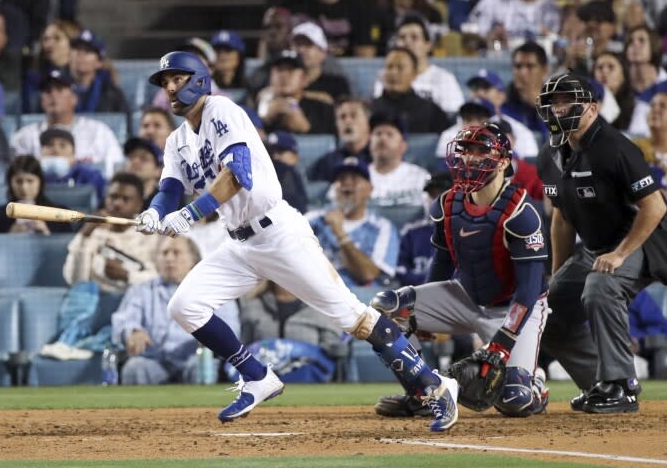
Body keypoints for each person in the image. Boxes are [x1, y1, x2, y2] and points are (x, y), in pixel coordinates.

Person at [135, 51, 459, 429]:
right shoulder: (176, 141)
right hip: (239, 243)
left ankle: (435, 386)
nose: (170, 87)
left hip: (278, 233)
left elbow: (238, 173)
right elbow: (170, 187)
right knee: (185, 306)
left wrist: (190, 214)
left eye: (177, 78)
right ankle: (257, 376)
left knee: (353, 317)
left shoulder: (221, 111)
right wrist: (155, 212)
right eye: (164, 82)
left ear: (199, 79)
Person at [372, 122, 549, 419]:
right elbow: (442, 263)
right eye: (466, 150)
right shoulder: (446, 204)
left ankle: (536, 385)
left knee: (514, 401)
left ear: (504, 161)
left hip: (514, 308)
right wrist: (424, 319)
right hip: (465, 297)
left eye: (481, 151)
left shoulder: (522, 212)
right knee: (387, 308)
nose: (470, 158)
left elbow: (529, 288)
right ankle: (424, 392)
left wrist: (503, 343)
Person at [536, 72, 667, 413]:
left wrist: (620, 253)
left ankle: (622, 385)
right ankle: (600, 383)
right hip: (598, 247)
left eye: (567, 100)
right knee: (547, 309)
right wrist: (558, 273)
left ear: (592, 109)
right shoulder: (549, 156)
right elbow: (562, 217)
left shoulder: (614, 147)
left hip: (647, 241)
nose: (559, 108)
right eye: (553, 102)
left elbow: (655, 206)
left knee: (601, 285)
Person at [112, 236, 240, 385]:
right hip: (154, 360)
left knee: (205, 365)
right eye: (164, 253)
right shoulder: (141, 290)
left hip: (195, 358)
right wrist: (132, 332)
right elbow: (124, 320)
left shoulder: (214, 291)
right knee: (134, 367)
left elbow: (232, 330)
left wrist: (212, 339)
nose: (169, 258)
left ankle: (206, 409)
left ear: (194, 261)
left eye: (176, 253)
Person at [11, 69, 124, 176]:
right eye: (48, 91)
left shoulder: (99, 132)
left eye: (59, 90)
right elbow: (14, 174)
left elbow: (116, 169)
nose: (53, 95)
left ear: (74, 98)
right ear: (42, 100)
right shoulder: (24, 136)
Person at [308, 156, 400, 287]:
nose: (347, 183)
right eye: (341, 179)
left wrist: (340, 233)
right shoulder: (314, 219)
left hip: (357, 298)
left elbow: (368, 274)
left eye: (355, 178)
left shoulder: (382, 228)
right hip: (313, 293)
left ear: (370, 189)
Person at [64, 173, 160, 293]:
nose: (117, 204)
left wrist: (127, 275)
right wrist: (85, 235)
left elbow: (162, 279)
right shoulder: (92, 233)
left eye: (126, 199)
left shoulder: (151, 235)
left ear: (139, 205)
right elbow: (75, 280)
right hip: (95, 301)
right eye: (113, 197)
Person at [239, 280, 346, 383]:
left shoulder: (321, 307)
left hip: (309, 379)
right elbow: (245, 348)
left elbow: (332, 346)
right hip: (261, 381)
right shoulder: (253, 306)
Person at [373, 13, 464, 115]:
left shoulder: (444, 79)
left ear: (428, 45)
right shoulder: (386, 75)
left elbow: (454, 117)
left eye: (414, 37)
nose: (407, 42)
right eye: (402, 37)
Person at [436, 70, 539, 160]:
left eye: (486, 88)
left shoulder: (520, 132)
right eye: (475, 88)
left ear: (501, 96)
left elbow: (530, 167)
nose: (479, 93)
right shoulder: (450, 134)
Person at [0, 154, 73, 234]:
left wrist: (47, 234)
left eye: (30, 181)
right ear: (10, 183)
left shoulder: (60, 215)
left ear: (40, 182)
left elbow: (67, 249)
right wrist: (9, 236)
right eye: (19, 181)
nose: (24, 188)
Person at [371, 47, 450, 134]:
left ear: (414, 74)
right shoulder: (370, 110)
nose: (393, 72)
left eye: (400, 68)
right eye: (389, 67)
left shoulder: (432, 112)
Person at [255, 50, 336, 135]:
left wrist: (306, 129)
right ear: (270, 76)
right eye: (279, 69)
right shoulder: (258, 107)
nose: (284, 75)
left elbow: (329, 141)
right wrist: (263, 122)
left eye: (291, 70)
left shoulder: (322, 109)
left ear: (304, 79)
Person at [367, 113, 431, 207]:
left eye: (390, 134)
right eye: (378, 133)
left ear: (403, 145)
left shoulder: (420, 177)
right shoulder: (358, 177)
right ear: (369, 143)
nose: (382, 138)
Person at [22, 20, 81, 112]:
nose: (49, 44)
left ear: (72, 43)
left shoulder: (84, 73)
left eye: (57, 38)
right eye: (45, 39)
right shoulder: (33, 78)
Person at [308, 98, 372, 182]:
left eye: (353, 116)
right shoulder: (326, 162)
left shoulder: (381, 158)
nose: (347, 121)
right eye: (342, 117)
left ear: (368, 123)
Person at [70, 29, 129, 114]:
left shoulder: (111, 94)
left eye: (88, 51)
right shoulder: (56, 88)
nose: (81, 54)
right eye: (77, 49)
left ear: (99, 62)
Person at [39, 128, 107, 201]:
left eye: (63, 145)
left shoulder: (92, 176)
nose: (56, 150)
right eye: (49, 145)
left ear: (73, 153)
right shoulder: (33, 175)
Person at [290, 22, 352, 101]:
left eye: (308, 45)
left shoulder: (337, 84)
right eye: (297, 45)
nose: (301, 50)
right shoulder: (282, 81)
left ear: (323, 52)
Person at [502, 42, 550, 138]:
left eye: (530, 66)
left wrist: (540, 107)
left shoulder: (558, 104)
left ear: (544, 69)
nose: (522, 72)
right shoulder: (503, 104)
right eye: (518, 66)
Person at [266, 130, 308, 214]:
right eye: (270, 152)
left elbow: (299, 206)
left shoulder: (290, 173)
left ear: (295, 156)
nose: (275, 156)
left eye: (280, 151)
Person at [122, 137, 163, 210]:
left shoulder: (166, 202)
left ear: (158, 170)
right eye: (131, 157)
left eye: (144, 158)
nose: (135, 162)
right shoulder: (112, 198)